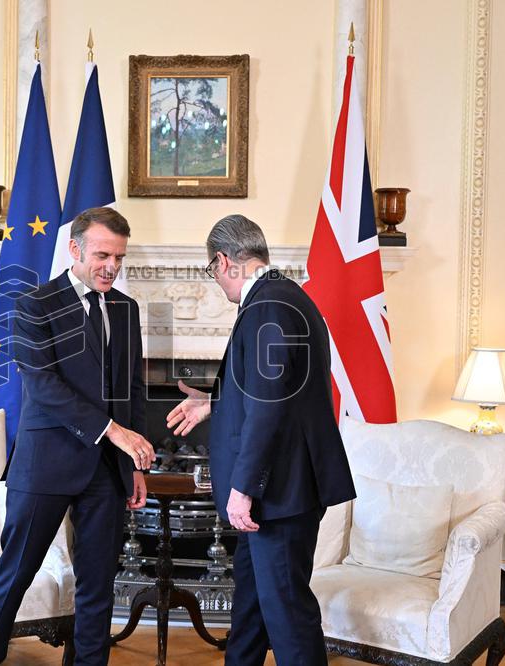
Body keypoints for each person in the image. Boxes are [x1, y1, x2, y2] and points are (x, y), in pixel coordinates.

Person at [0, 207, 155, 666]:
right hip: (45, 464)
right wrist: (114, 432)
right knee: (15, 575)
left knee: (97, 584)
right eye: (102, 255)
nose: (111, 266)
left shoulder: (126, 310)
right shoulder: (35, 304)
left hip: (107, 470)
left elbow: (132, 390)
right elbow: (44, 386)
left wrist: (132, 464)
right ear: (75, 249)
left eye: (119, 257)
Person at [166, 214, 355, 665]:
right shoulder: (283, 298)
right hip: (279, 492)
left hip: (279, 495)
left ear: (223, 261)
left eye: (212, 271)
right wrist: (214, 403)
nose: (217, 281)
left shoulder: (269, 305)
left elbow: (270, 406)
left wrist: (244, 488)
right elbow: (271, 392)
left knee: (288, 615)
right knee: (250, 612)